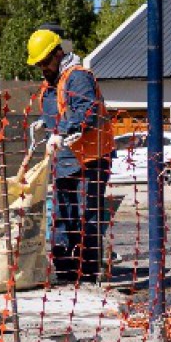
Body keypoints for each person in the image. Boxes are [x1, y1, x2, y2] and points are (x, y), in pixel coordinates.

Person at [28, 27, 117, 284]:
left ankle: (87, 273)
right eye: (39, 64)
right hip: (65, 161)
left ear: (58, 53)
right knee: (62, 216)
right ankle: (65, 272)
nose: (42, 67)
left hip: (91, 159)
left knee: (85, 214)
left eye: (45, 61)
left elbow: (85, 110)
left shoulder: (77, 78)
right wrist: (44, 125)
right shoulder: (50, 85)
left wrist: (64, 130)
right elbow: (58, 114)